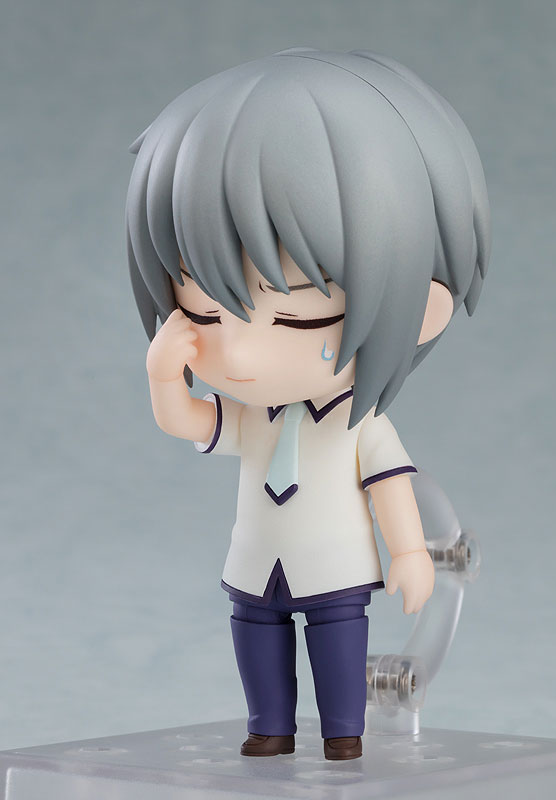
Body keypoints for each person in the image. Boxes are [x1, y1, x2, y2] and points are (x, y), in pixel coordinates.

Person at [126, 48, 491, 761]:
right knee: (255, 640)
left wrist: (410, 553)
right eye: (205, 308)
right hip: (253, 566)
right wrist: (164, 375)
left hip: (337, 570)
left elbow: (390, 489)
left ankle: (343, 732)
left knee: (336, 645)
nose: (240, 353)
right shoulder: (253, 417)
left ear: (418, 307)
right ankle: (269, 725)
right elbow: (186, 420)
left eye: (296, 316)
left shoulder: (361, 425)